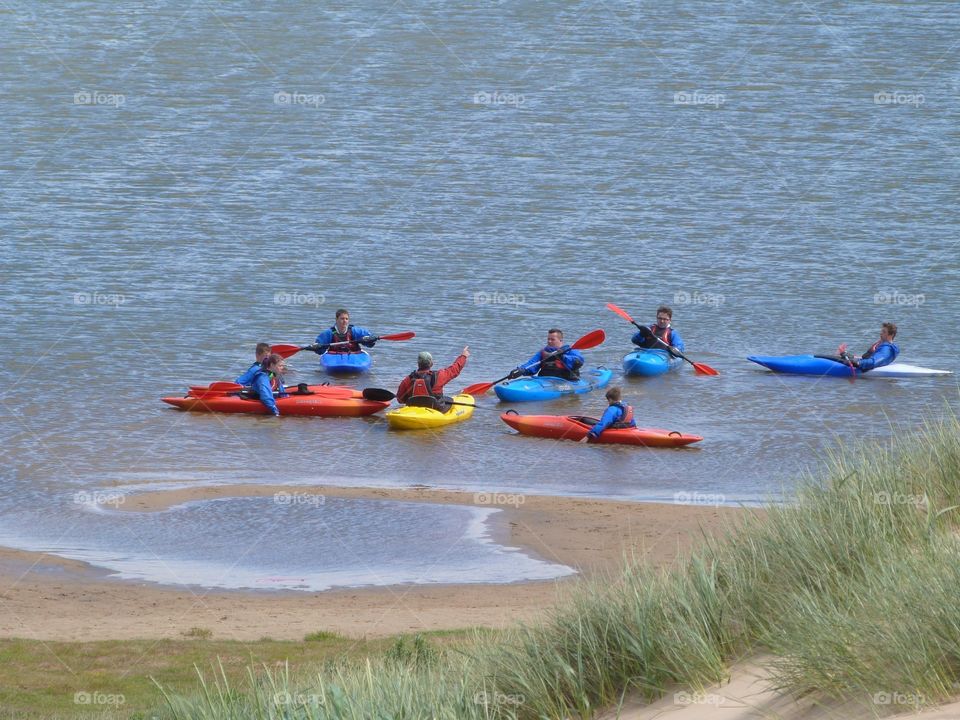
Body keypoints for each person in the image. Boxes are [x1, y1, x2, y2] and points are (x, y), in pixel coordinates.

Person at [396, 347, 470, 409]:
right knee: (449, 400)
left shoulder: (408, 379)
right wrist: (463, 356)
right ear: (431, 363)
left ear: (418, 364)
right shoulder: (439, 375)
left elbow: (400, 399)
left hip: (414, 408)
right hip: (434, 409)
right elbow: (454, 370)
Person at [510, 329, 584, 381]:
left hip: (566, 380)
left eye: (552, 339)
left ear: (560, 340)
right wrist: (521, 370)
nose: (549, 341)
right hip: (545, 380)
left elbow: (578, 361)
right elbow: (532, 364)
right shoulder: (544, 352)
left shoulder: (571, 350)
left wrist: (561, 356)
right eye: (548, 339)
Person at [312, 309, 377, 355]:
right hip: (334, 355)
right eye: (342, 318)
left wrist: (371, 338)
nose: (345, 321)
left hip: (354, 354)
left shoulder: (354, 331)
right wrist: (317, 347)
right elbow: (320, 350)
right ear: (336, 319)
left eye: (346, 319)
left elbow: (370, 340)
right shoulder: (329, 333)